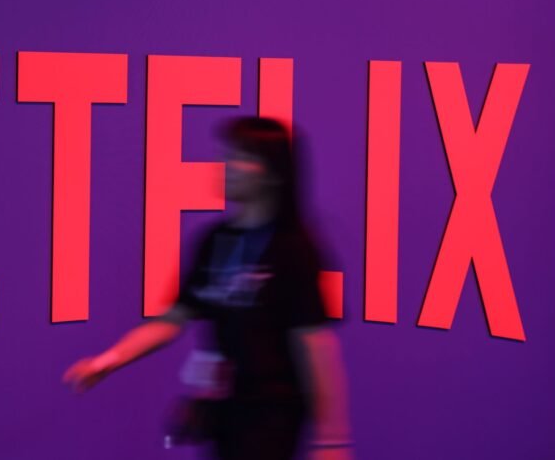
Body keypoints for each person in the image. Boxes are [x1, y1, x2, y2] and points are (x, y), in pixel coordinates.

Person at [64, 117, 353, 460]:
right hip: (225, 410)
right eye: (226, 154)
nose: (226, 165)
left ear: (273, 173)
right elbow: (172, 319)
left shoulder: (294, 249)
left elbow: (314, 344)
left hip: (272, 414)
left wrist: (331, 439)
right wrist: (108, 360)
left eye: (242, 157)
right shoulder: (214, 241)